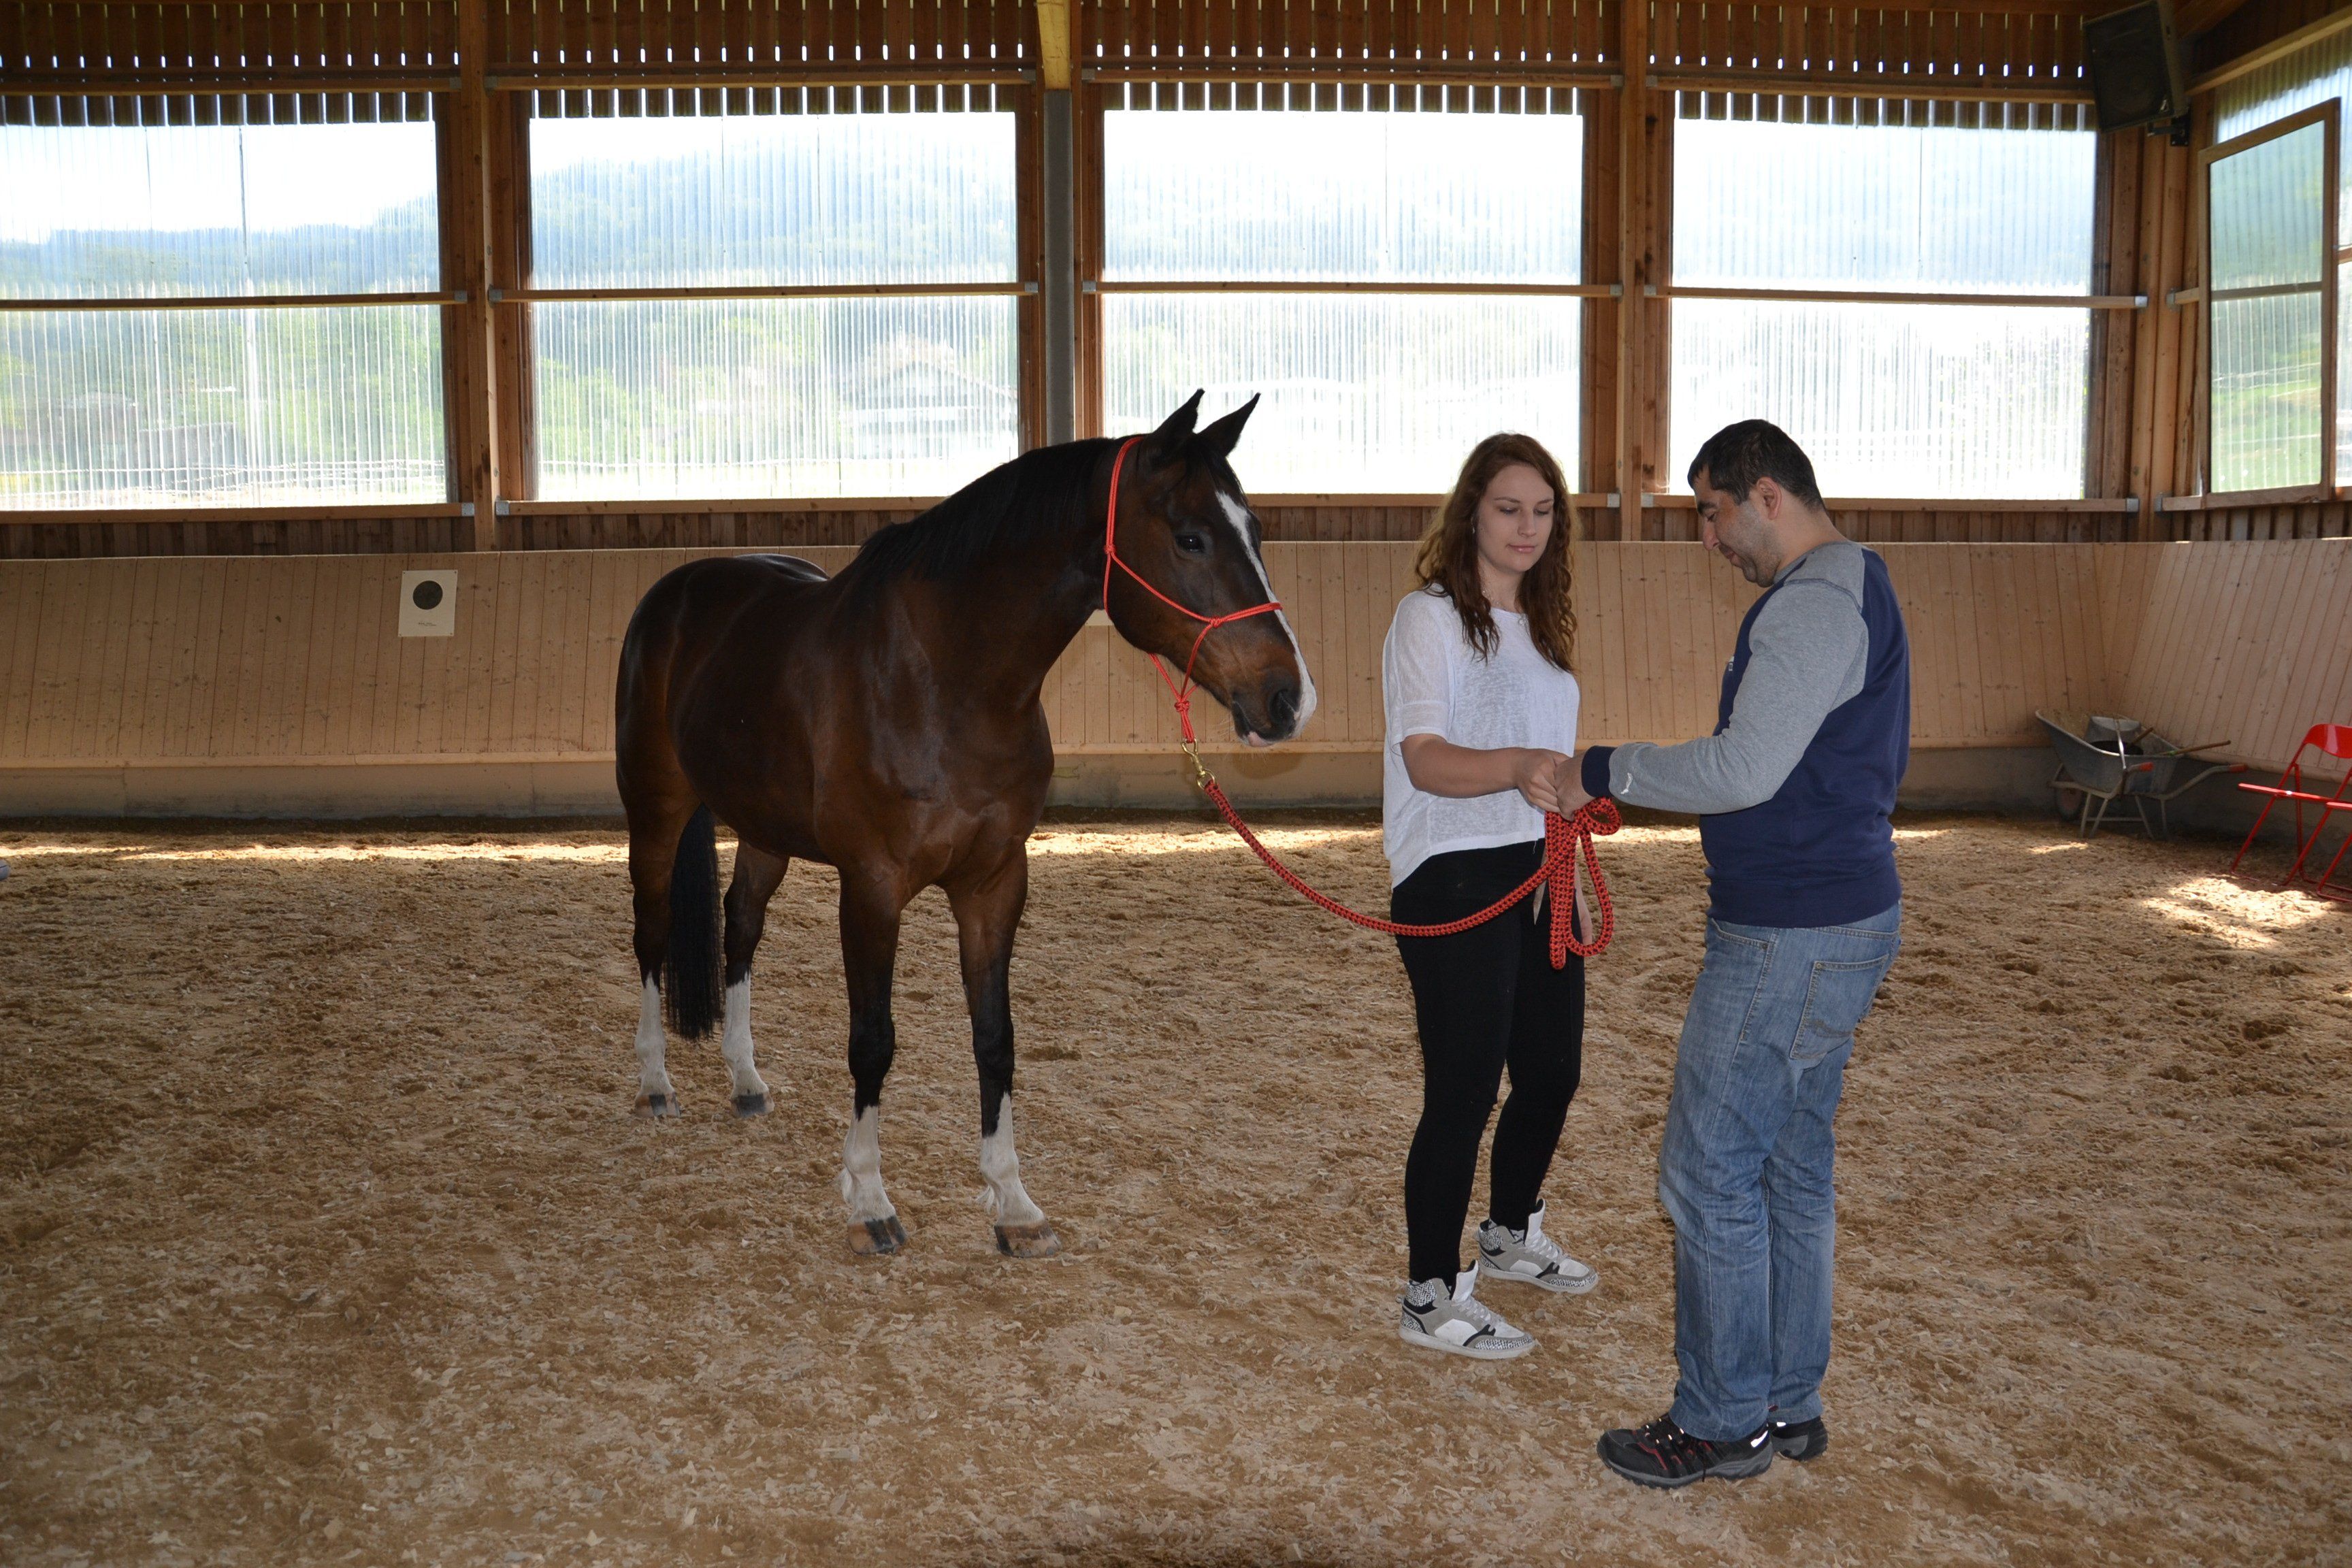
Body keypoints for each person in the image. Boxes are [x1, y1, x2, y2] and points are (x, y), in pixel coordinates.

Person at [1562, 420, 1910, 1485]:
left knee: (1710, 1170)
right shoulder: (1856, 582)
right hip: (1837, 917)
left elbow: (1742, 770)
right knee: (1792, 1167)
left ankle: (1720, 1422)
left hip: (1788, 934)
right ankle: (1788, 1401)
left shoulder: (1809, 606)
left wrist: (1600, 769)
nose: (1709, 540)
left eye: (1713, 513)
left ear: (1767, 496)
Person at [1382, 433, 1599, 1361]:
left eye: (1543, 511)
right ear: (1471, 511)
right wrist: (1515, 767)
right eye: (1509, 508)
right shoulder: (1427, 619)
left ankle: (1509, 1232)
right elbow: (1424, 759)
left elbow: (1555, 777)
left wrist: (1573, 874)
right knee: (1464, 1090)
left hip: (1541, 868)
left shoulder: (1545, 634)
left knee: (1553, 1070)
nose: (1527, 527)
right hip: (1452, 870)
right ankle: (1430, 1294)